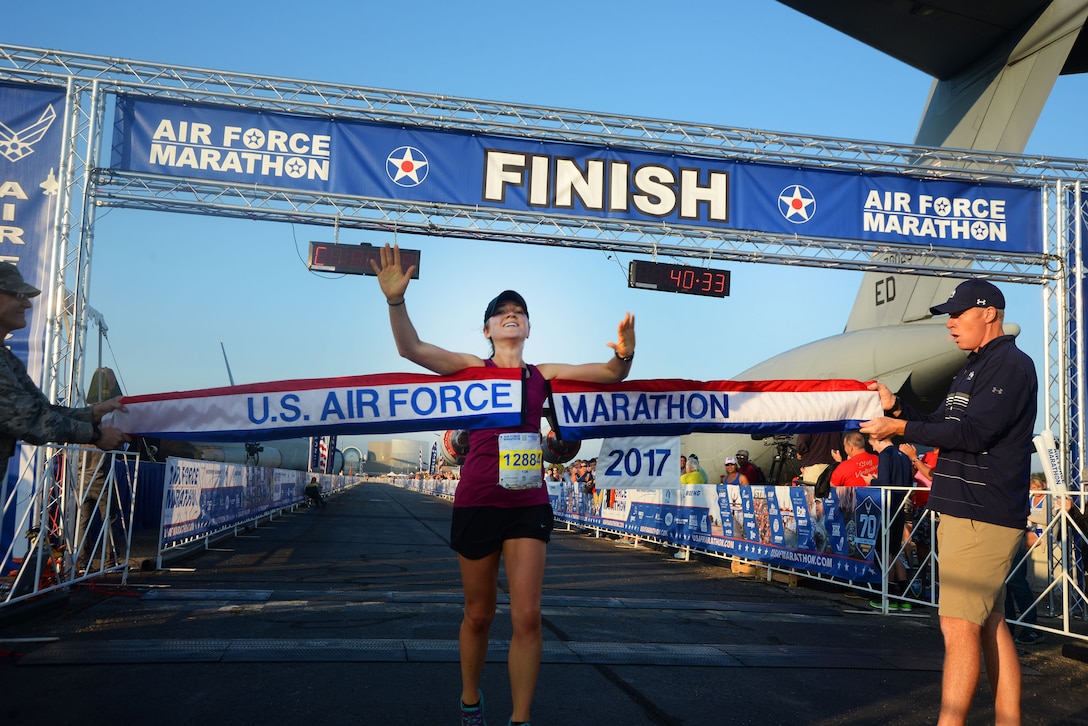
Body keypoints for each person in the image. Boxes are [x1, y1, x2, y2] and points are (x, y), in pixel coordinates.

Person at [371, 242, 636, 726]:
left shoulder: (544, 375)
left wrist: (626, 353)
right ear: (488, 328)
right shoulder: (472, 367)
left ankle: (520, 718)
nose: (512, 316)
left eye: (520, 313)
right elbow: (411, 348)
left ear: (528, 328)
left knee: (528, 616)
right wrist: (395, 301)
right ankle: (471, 701)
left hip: (527, 503)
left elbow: (610, 374)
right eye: (502, 313)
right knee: (479, 614)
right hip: (476, 501)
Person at [861, 278, 1036, 726]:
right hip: (967, 509)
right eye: (948, 316)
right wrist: (898, 408)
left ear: (989, 314)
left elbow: (974, 434)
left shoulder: (1011, 366)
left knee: (958, 628)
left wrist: (898, 431)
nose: (950, 325)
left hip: (981, 511)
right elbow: (941, 424)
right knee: (990, 624)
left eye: (958, 315)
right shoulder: (972, 368)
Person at [0, 262, 129, 490]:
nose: (27, 304)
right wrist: (96, 435)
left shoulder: (6, 359)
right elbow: (29, 420)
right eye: (18, 294)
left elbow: (42, 409)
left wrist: (93, 413)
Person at [862, 432, 914, 611]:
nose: (873, 448)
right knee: (894, 550)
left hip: (888, 506)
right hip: (901, 505)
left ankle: (888, 595)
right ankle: (904, 595)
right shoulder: (904, 456)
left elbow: (884, 482)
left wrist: (871, 481)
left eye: (872, 444)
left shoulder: (886, 455)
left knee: (885, 551)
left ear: (878, 439)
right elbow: (909, 483)